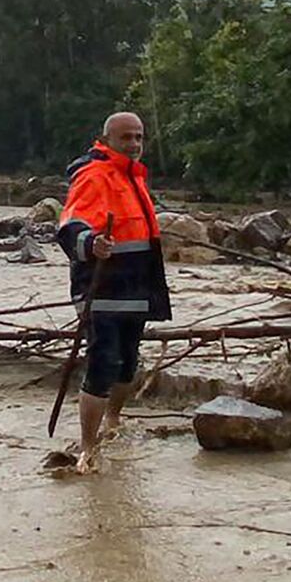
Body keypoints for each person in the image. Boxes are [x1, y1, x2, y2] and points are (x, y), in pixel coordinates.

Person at [55, 111, 172, 474]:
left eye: (138, 137)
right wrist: (90, 243)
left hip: (136, 285)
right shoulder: (94, 175)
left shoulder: (133, 176)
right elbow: (70, 223)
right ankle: (88, 447)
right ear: (106, 139)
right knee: (104, 364)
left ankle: (114, 420)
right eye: (126, 138)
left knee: (129, 362)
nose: (134, 144)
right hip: (101, 287)